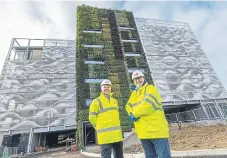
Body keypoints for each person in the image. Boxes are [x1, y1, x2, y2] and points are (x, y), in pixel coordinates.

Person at [126, 70, 171, 158]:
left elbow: (147, 105)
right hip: (143, 133)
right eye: (135, 79)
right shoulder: (134, 94)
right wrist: (130, 114)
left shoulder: (150, 88)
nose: (137, 80)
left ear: (143, 78)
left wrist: (134, 115)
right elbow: (127, 106)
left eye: (139, 78)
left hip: (157, 131)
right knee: (150, 156)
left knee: (164, 156)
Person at [89, 79, 124, 158]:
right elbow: (92, 118)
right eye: (104, 87)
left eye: (108, 87)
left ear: (111, 88)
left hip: (117, 136)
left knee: (119, 156)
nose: (106, 88)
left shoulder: (115, 101)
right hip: (105, 137)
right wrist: (98, 127)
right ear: (101, 88)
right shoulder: (96, 101)